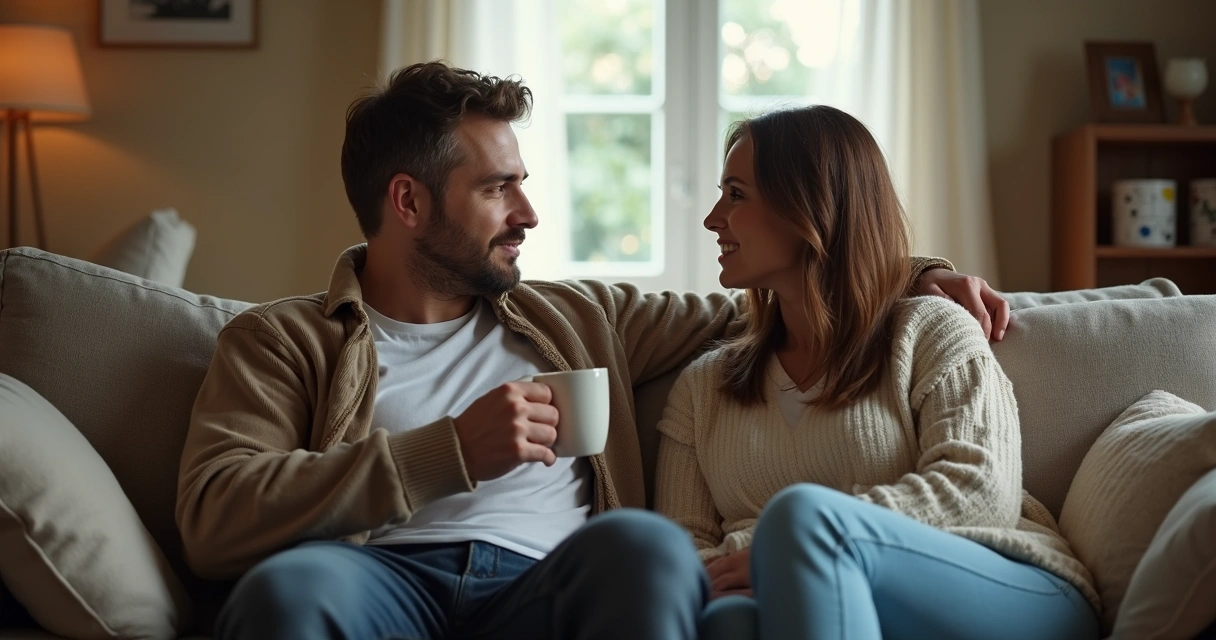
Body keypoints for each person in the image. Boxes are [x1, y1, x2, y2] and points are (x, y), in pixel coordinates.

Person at [175, 62, 1007, 640]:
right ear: (409, 202)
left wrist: (920, 273)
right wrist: (448, 453)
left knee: (643, 549)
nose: (529, 213)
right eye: (498, 188)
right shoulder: (281, 340)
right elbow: (215, 518)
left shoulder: (577, 315)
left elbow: (781, 289)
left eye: (523, 183)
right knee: (286, 594)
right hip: (377, 581)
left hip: (551, 583)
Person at [653, 105, 1099, 640]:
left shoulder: (933, 330)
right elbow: (684, 551)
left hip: (1005, 582)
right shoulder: (704, 388)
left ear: (811, 209)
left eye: (736, 194)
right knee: (729, 621)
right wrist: (782, 559)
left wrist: (787, 545)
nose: (712, 218)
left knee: (803, 519)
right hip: (807, 596)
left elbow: (980, 491)